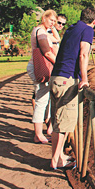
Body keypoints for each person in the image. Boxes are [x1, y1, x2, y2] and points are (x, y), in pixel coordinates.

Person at [49, 7, 95, 170]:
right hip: (67, 80)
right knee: (64, 123)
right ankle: (56, 161)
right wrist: (84, 78)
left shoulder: (71, 28)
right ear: (94, 21)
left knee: (57, 121)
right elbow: (83, 54)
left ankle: (58, 156)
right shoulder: (87, 30)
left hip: (56, 77)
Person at [26, 10, 58, 144]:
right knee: (41, 101)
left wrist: (53, 28)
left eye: (55, 21)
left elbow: (57, 40)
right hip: (40, 68)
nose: (53, 23)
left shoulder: (43, 31)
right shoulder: (41, 32)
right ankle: (38, 134)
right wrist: (59, 65)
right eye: (51, 20)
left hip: (40, 67)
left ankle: (38, 134)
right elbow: (47, 53)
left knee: (43, 100)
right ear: (44, 18)